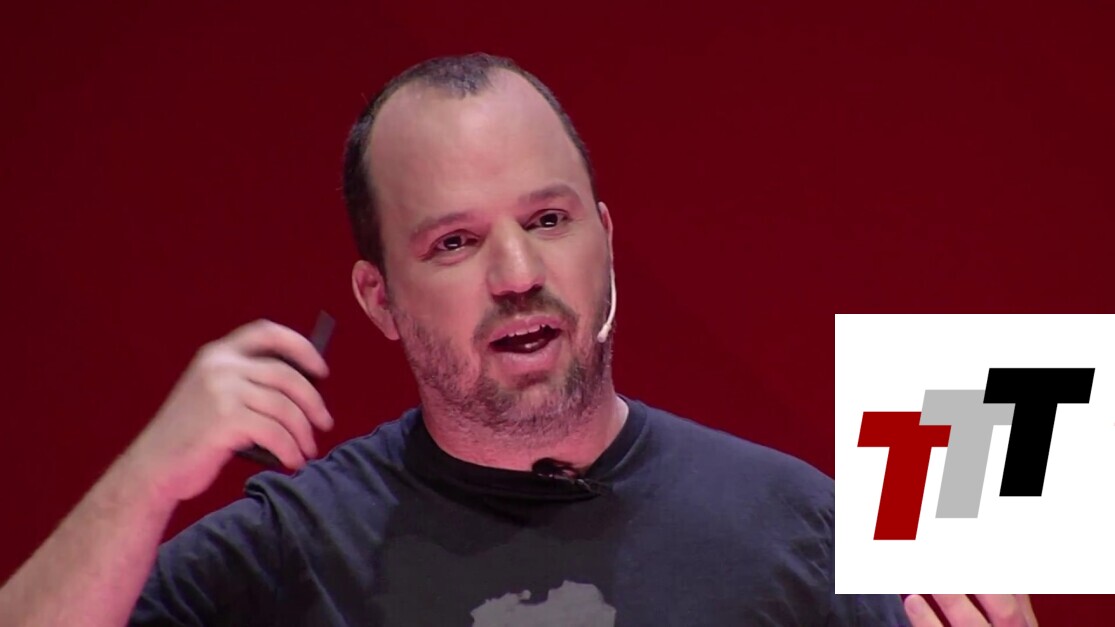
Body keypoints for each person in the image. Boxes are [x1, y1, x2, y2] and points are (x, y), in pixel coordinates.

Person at [0, 53, 1037, 626]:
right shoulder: (294, 545)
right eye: (454, 242)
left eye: (547, 219)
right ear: (378, 299)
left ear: (604, 239)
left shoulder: (802, 525)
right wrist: (143, 482)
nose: (516, 272)